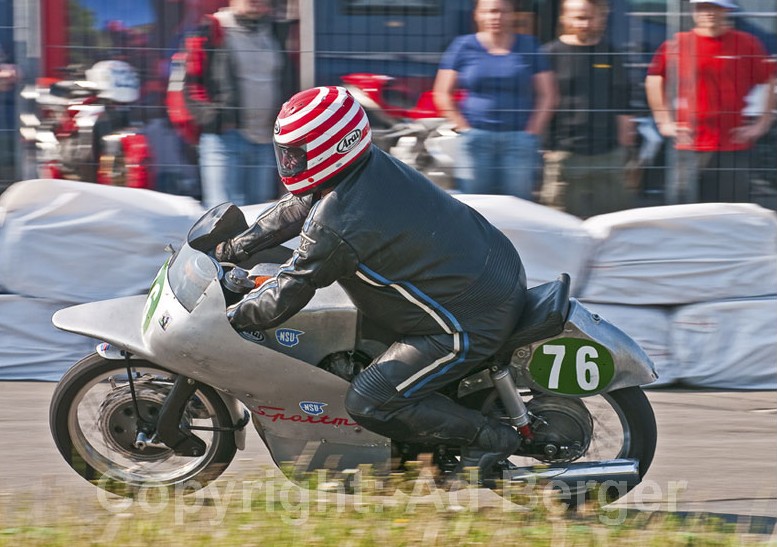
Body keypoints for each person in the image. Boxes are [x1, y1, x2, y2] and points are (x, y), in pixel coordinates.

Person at [216, 86, 528, 481]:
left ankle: (493, 438)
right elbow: (298, 206)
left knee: (368, 401)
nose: (288, 162)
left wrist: (226, 317)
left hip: (466, 320)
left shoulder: (339, 221)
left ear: (332, 146)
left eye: (297, 152)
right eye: (286, 152)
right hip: (491, 271)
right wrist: (233, 247)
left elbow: (288, 293)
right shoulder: (365, 168)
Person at [645, 0, 776, 204]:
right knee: (684, 211)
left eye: (714, 7)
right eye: (702, 7)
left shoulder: (747, 43)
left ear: (726, 10)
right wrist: (664, 121)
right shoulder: (677, 44)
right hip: (687, 145)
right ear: (694, 11)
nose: (708, 13)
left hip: (734, 145)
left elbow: (771, 81)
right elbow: (654, 79)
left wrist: (762, 124)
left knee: (731, 211)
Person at [432, 0, 556, 199]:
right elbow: (441, 92)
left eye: (502, 12)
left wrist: (532, 132)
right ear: (477, 15)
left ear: (512, 14)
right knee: (475, 207)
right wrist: (463, 128)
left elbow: (548, 94)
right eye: (490, 12)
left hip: (518, 140)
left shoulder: (529, 45)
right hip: (475, 140)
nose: (496, 17)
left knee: (519, 206)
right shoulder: (463, 46)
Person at [184, 0, 295, 207]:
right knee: (222, 218)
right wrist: (214, 119)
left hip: (264, 141)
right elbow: (191, 83)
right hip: (225, 140)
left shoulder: (275, 31)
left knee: (258, 221)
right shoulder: (212, 29)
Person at [540, 0, 636, 218]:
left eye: (589, 17)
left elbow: (623, 102)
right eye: (578, 17)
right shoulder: (548, 54)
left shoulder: (610, 54)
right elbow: (540, 102)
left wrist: (625, 148)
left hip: (608, 152)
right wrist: (547, 147)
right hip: (564, 152)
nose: (584, 23)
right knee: (560, 219)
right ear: (564, 18)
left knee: (613, 219)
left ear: (601, 19)